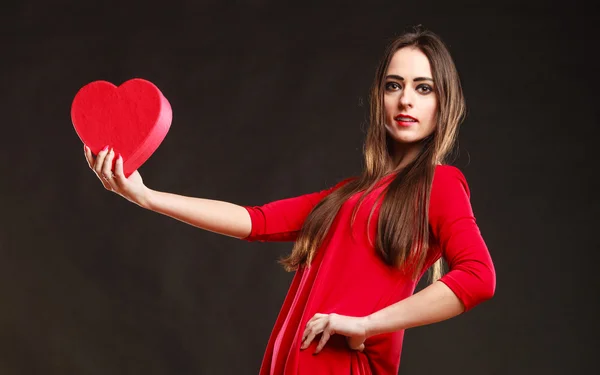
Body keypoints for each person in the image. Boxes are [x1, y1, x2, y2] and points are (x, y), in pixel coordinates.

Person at [84, 26, 496, 375]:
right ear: (379, 99)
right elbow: (255, 221)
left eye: (423, 89)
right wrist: (145, 196)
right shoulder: (346, 195)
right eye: (394, 85)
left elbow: (479, 277)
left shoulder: (439, 184)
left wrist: (368, 324)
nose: (405, 100)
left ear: (443, 104)